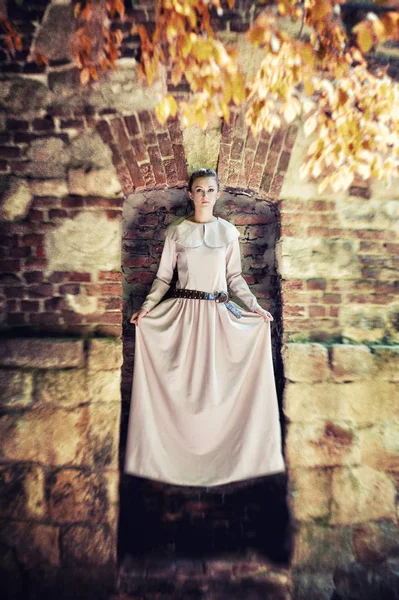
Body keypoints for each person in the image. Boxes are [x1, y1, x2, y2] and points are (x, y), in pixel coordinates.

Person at [125, 168, 285, 487]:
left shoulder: (227, 232)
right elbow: (162, 278)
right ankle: (167, 457)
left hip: (218, 314)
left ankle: (230, 458)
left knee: (220, 390)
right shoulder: (176, 231)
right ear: (190, 194)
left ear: (217, 193)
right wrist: (146, 308)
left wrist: (254, 307)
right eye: (199, 190)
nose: (204, 196)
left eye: (210, 190)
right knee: (181, 388)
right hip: (182, 313)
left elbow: (235, 279)